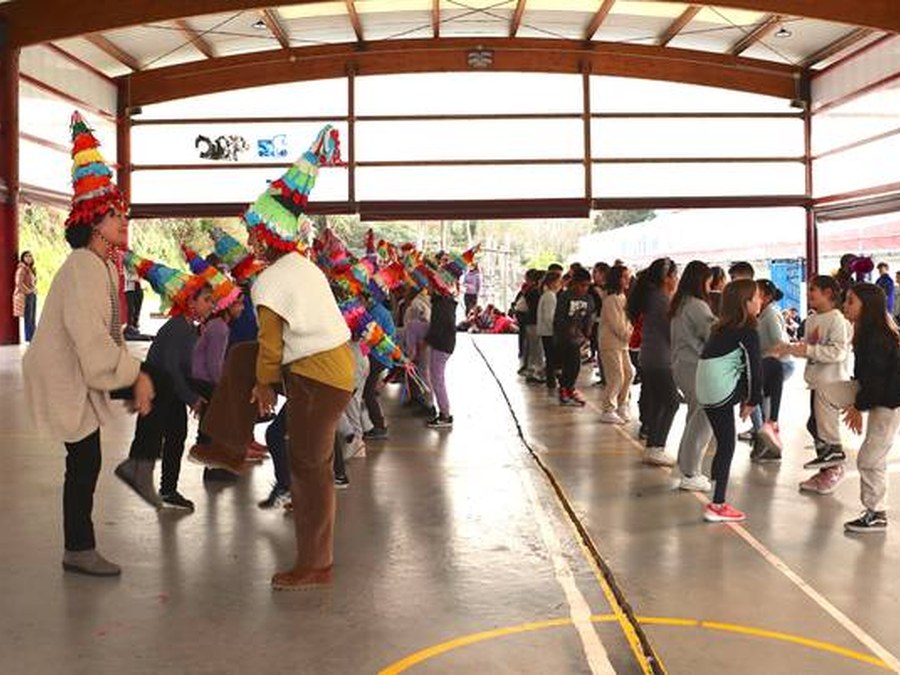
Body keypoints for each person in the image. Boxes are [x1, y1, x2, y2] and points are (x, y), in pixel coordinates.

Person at [190, 145, 354, 589]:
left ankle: (315, 563)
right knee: (240, 355)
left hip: (318, 379)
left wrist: (265, 386)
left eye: (254, 233)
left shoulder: (271, 280)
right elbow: (262, 349)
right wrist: (262, 378)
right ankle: (226, 444)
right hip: (318, 366)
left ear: (267, 236)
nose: (250, 241)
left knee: (308, 465)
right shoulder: (301, 266)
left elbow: (271, 343)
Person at [22, 111, 155, 576]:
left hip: (83, 371)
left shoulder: (101, 264)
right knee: (85, 458)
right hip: (66, 374)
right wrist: (133, 375)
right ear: (95, 223)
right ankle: (78, 548)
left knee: (87, 457)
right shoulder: (83, 266)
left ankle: (79, 544)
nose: (124, 222)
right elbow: (90, 340)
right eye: (116, 215)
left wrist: (131, 376)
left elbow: (105, 339)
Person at [115, 254, 214, 511]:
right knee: (162, 439)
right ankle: (158, 484)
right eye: (206, 300)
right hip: (159, 393)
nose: (211, 305)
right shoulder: (178, 329)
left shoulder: (188, 327)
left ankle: (167, 489)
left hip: (170, 395)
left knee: (174, 437)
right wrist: (192, 397)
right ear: (190, 302)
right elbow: (170, 371)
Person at [814, 284, 900, 533]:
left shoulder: (878, 338)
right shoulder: (863, 331)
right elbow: (866, 377)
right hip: (870, 389)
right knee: (825, 391)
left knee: (870, 459)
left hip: (889, 402)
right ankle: (832, 448)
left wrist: (857, 407)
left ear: (867, 306)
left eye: (851, 301)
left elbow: (878, 383)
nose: (844, 306)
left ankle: (876, 513)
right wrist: (857, 402)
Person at [774, 275, 851, 494]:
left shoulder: (836, 319)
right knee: (814, 425)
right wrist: (789, 349)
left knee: (824, 427)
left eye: (812, 290)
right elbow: (809, 349)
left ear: (828, 293)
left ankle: (833, 469)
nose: (808, 295)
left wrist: (806, 350)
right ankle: (826, 467)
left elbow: (838, 352)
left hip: (832, 385)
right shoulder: (812, 320)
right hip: (816, 383)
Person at [696, 279, 763, 523]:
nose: (760, 300)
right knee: (772, 367)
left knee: (724, 441)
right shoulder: (747, 332)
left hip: (705, 392)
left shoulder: (720, 329)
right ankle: (717, 504)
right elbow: (755, 369)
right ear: (745, 304)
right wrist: (752, 400)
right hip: (720, 392)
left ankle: (717, 491)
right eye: (756, 297)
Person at [627, 257, 679, 466]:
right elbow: (670, 331)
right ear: (666, 278)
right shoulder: (661, 299)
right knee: (672, 402)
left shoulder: (652, 296)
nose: (677, 279)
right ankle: (657, 447)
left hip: (649, 356)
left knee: (658, 402)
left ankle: (652, 447)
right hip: (660, 358)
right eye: (675, 275)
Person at [671, 261, 716, 491]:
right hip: (695, 366)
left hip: (682, 366)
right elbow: (712, 334)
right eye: (708, 282)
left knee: (694, 414)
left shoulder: (680, 303)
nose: (710, 287)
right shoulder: (698, 306)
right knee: (703, 418)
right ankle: (691, 471)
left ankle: (686, 463)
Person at [750, 279, 794, 463]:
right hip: (767, 363)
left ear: (767, 297)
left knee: (760, 401)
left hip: (779, 364)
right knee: (761, 403)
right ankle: (765, 439)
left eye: (757, 294)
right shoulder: (763, 314)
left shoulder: (771, 315)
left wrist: (763, 357)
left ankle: (765, 440)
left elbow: (779, 343)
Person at [553, 267, 594, 406]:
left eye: (587, 285)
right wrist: (564, 332)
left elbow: (589, 315)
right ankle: (565, 388)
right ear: (574, 283)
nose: (585, 288)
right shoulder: (565, 296)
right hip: (564, 338)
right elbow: (559, 318)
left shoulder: (588, 298)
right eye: (582, 285)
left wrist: (587, 332)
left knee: (575, 366)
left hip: (578, 338)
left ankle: (570, 388)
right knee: (568, 365)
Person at [597, 264, 633, 424]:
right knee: (616, 376)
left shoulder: (622, 297)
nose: (627, 279)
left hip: (622, 344)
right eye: (624, 276)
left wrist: (630, 334)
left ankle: (622, 403)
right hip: (610, 343)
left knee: (629, 372)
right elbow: (617, 324)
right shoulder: (610, 299)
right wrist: (629, 335)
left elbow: (627, 321)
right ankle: (608, 408)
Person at [425, 280, 458, 428]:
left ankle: (445, 415)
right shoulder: (444, 303)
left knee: (437, 380)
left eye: (430, 286)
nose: (427, 288)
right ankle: (444, 413)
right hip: (444, 344)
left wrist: (425, 341)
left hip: (441, 345)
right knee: (437, 379)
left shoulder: (441, 306)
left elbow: (437, 329)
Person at [537, 271, 561, 390]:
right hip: (549, 332)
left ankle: (550, 380)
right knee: (551, 357)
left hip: (545, 331)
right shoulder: (550, 296)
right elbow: (549, 317)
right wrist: (555, 330)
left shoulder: (547, 295)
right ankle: (551, 381)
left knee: (550, 357)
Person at [13, 250, 37, 342]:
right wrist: (28, 291)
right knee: (28, 317)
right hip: (27, 295)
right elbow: (19, 283)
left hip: (32, 294)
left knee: (32, 317)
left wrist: (34, 290)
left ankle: (33, 336)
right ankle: (29, 337)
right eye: (26, 256)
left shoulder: (31, 269)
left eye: (30, 256)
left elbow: (32, 282)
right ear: (23, 258)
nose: (29, 258)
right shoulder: (21, 269)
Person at [123, 263, 144, 339]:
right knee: (131, 308)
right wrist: (138, 276)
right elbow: (129, 277)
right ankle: (130, 326)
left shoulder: (138, 266)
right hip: (130, 289)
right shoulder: (126, 266)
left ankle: (135, 325)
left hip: (139, 288)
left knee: (138, 306)